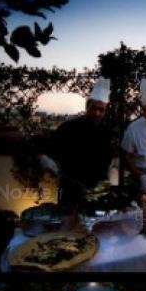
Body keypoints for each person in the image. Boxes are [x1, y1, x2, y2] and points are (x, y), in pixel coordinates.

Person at [43, 77, 115, 206]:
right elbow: (50, 150)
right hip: (71, 188)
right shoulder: (68, 127)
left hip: (98, 190)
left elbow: (109, 160)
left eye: (101, 110)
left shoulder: (107, 131)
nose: (97, 113)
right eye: (94, 108)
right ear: (87, 106)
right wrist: (47, 160)